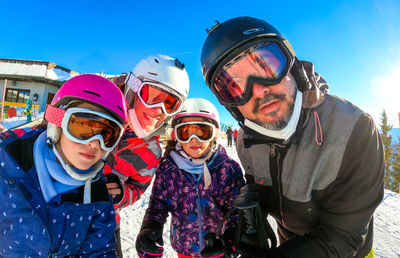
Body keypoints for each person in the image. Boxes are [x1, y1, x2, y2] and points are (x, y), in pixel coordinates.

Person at [200, 16, 384, 257]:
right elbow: (261, 185)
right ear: (231, 106)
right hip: (289, 243)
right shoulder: (246, 141)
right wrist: (249, 215)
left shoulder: (354, 129)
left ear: (291, 65)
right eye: (235, 86)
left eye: (265, 67)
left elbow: (343, 235)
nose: (258, 90)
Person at [0, 74, 128, 257]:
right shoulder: (8, 166)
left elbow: (99, 250)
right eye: (83, 127)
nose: (95, 143)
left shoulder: (97, 194)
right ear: (57, 124)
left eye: (107, 135)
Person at [135, 98, 245, 258]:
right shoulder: (168, 168)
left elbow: (236, 209)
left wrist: (230, 238)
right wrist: (151, 225)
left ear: (214, 133)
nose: (194, 140)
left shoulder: (227, 168)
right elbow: (158, 204)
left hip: (217, 248)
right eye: (185, 132)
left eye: (202, 132)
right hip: (184, 247)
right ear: (176, 135)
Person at [104, 54, 190, 257]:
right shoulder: (98, 108)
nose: (158, 110)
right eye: (152, 96)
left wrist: (121, 195)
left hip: (105, 221)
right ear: (134, 88)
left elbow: (137, 188)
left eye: (170, 104)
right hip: (54, 213)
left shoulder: (151, 152)